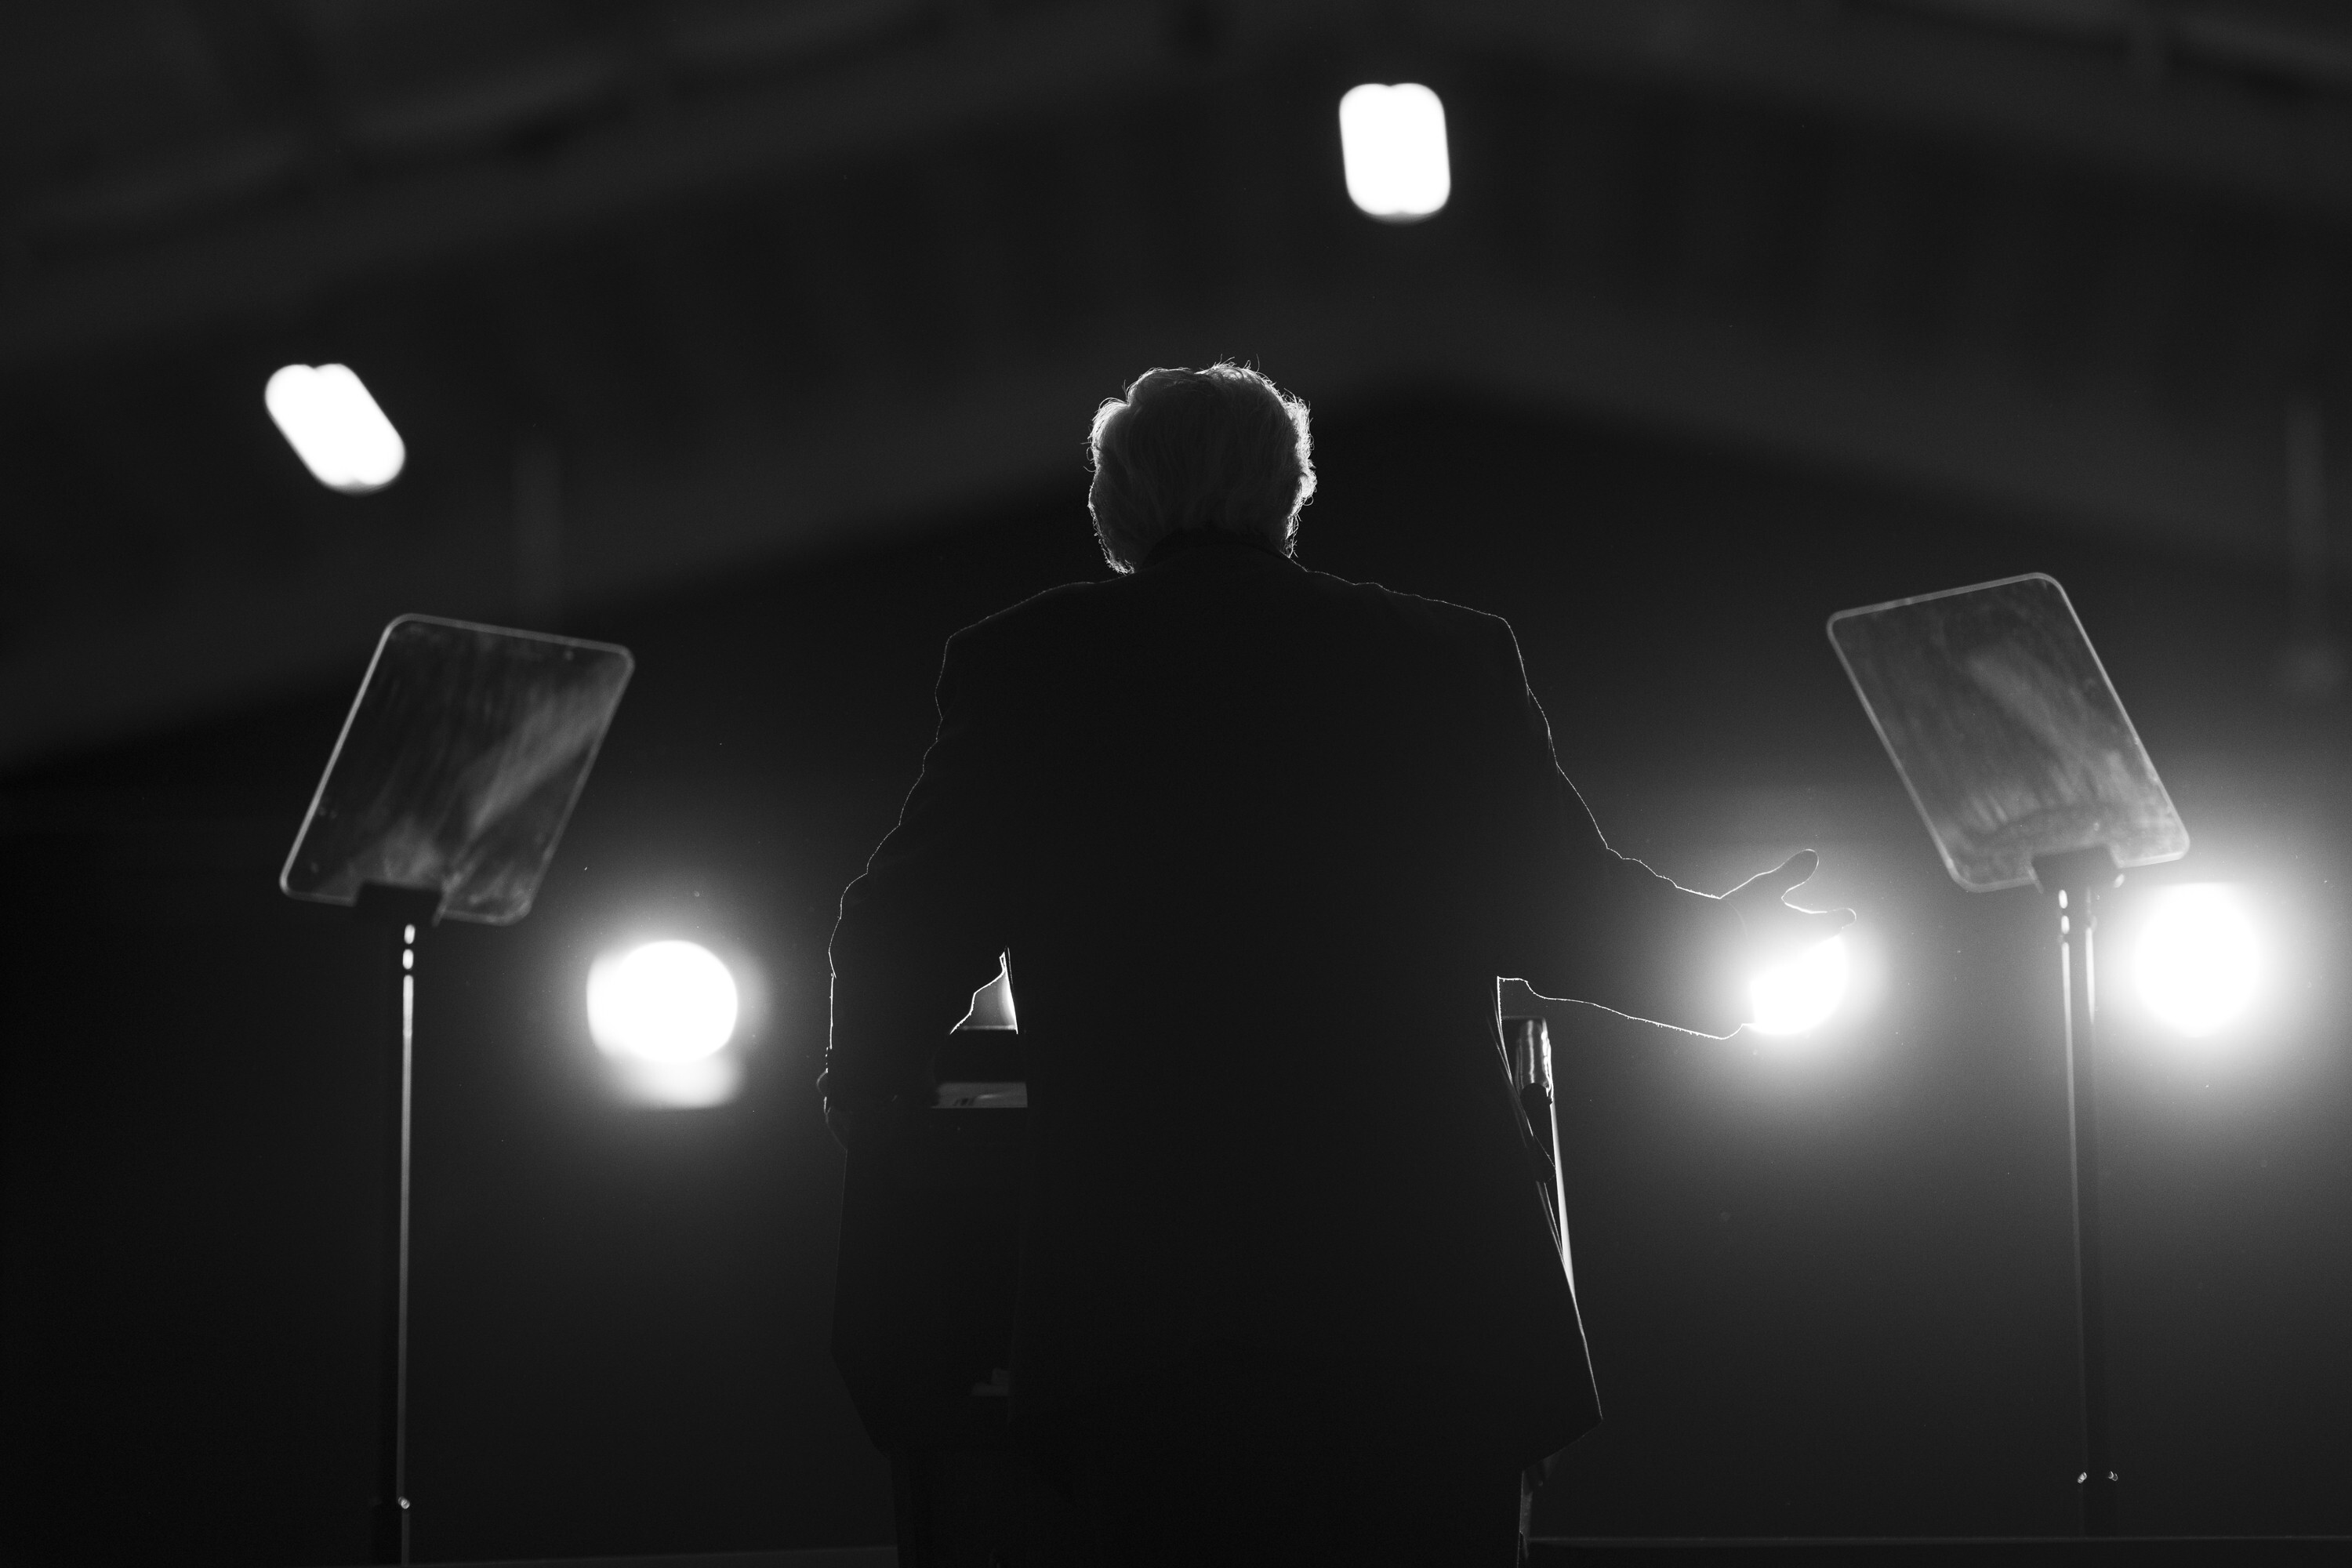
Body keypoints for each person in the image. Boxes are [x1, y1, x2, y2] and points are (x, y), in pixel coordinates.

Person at [823, 364, 1850, 1564]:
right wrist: (1727, 946)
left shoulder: (1029, 667)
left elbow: (896, 930)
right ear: (1289, 495)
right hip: (1430, 1317)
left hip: (1150, 1331)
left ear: (1114, 505)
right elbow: (1566, 910)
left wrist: (872, 1102)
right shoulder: (1443, 658)